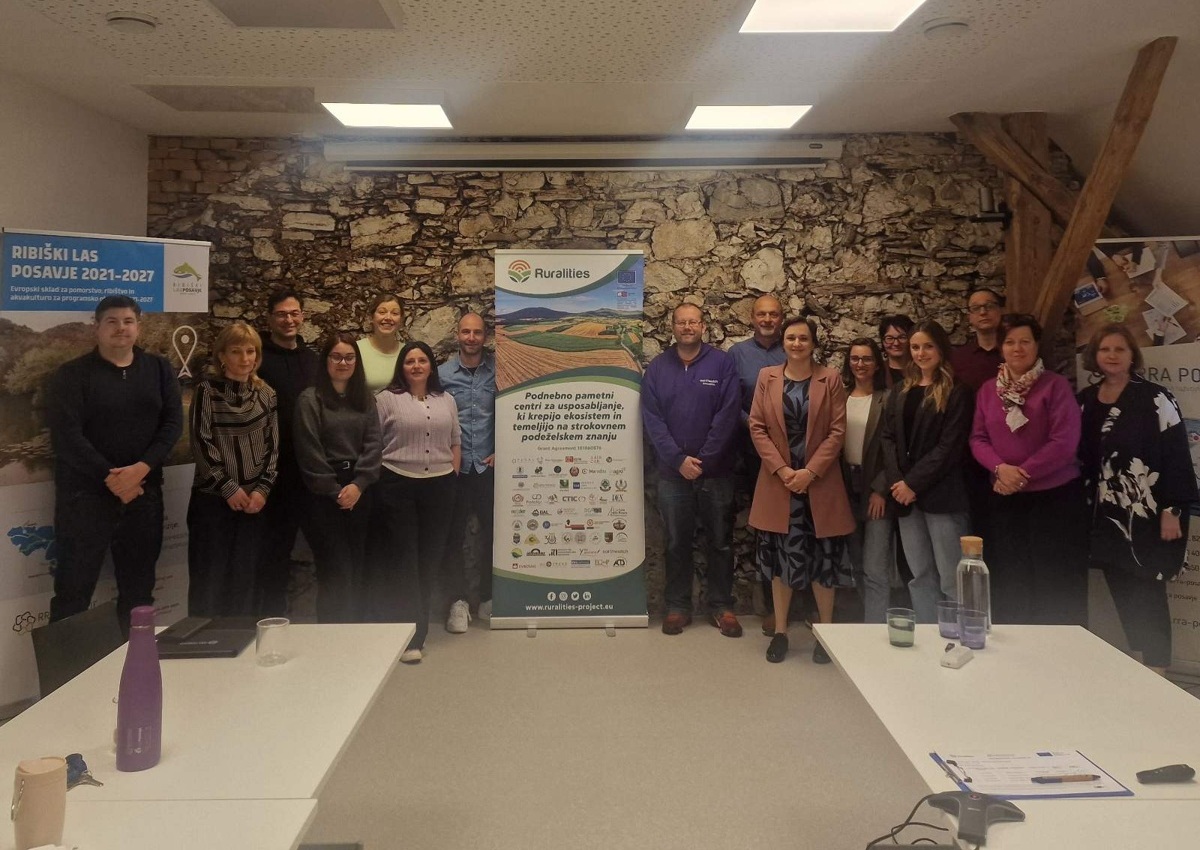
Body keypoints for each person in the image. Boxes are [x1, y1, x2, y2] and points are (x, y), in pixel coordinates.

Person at [46, 296, 183, 629]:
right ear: (96, 327)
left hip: (143, 495)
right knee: (72, 594)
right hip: (84, 499)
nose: (121, 328)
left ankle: (135, 662)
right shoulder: (71, 374)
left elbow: (172, 425)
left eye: (128, 321)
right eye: (112, 321)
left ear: (138, 327)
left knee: (139, 593)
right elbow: (67, 436)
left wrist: (141, 470)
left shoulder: (159, 369)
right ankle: (71, 666)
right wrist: (113, 478)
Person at [1078, 324, 1197, 672]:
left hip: (1147, 516)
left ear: (1133, 356)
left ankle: (1158, 669)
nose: (1112, 355)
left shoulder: (1156, 398)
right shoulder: (1085, 400)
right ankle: (1139, 663)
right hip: (1104, 519)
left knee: (1148, 591)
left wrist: (1173, 510)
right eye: (1105, 349)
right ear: (1095, 356)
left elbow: (1177, 456)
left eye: (1120, 349)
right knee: (1120, 587)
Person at [970, 314, 1088, 626]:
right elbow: (978, 439)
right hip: (1005, 499)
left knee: (1053, 578)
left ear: (1036, 345)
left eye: (1025, 341)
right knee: (1012, 577)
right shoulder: (988, 391)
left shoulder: (1055, 386)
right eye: (1010, 342)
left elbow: (1064, 442)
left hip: (1053, 499)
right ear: (1001, 347)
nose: (1017, 348)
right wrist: (999, 468)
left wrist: (1019, 474)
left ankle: (1057, 649)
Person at [749, 316, 855, 663]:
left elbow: (837, 431)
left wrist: (809, 472)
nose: (797, 344)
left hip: (819, 484)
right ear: (783, 342)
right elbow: (757, 426)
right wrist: (783, 470)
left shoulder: (831, 378)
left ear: (813, 343)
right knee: (781, 560)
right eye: (791, 338)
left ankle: (826, 633)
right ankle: (780, 632)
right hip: (779, 484)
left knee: (822, 561)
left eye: (803, 338)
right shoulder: (767, 377)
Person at [641, 303, 742, 638]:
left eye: (693, 322)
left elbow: (728, 415)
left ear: (703, 327)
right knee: (675, 543)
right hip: (673, 474)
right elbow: (652, 420)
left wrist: (704, 460)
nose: (687, 327)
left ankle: (721, 606)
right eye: (681, 322)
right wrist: (678, 460)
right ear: (672, 327)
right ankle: (677, 607)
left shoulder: (722, 364)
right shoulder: (658, 368)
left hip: (716, 472)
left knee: (720, 542)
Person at [372, 340, 461, 664]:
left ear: (431, 366)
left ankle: (417, 628)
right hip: (398, 484)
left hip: (439, 486)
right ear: (402, 366)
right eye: (410, 361)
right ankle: (410, 636)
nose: (416, 366)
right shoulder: (386, 399)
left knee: (429, 560)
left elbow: (455, 441)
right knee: (404, 560)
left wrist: (451, 473)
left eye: (422, 360)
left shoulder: (446, 400)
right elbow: (374, 442)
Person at [879, 320, 972, 625]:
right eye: (916, 347)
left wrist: (912, 483)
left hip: (941, 496)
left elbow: (949, 447)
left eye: (928, 346)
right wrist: (898, 482)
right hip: (906, 499)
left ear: (941, 349)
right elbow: (887, 438)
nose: (921, 353)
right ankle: (930, 632)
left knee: (951, 576)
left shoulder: (957, 392)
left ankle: (960, 635)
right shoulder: (900, 391)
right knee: (919, 574)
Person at [187, 322, 279, 617]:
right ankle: (204, 643)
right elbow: (201, 443)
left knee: (246, 583)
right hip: (213, 502)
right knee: (209, 583)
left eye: (250, 351)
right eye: (236, 351)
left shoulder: (267, 394)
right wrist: (228, 488)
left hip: (254, 503)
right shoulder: (206, 392)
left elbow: (273, 448)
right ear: (222, 356)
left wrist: (262, 490)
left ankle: (241, 641)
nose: (245, 358)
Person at [294, 334, 382, 623]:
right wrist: (335, 491)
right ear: (326, 360)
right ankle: (332, 636)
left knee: (358, 567)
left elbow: (374, 444)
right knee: (336, 571)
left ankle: (355, 634)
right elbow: (309, 450)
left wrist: (358, 485)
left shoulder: (365, 398)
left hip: (360, 489)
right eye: (336, 357)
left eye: (349, 357)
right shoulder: (310, 399)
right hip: (322, 495)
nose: (343, 363)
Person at [256, 288, 319, 617]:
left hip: (309, 472)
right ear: (270, 318)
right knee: (273, 553)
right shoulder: (257, 359)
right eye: (281, 314)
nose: (289, 319)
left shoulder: (313, 360)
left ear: (303, 316)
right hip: (272, 474)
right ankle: (271, 621)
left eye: (294, 313)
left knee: (324, 549)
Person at [728, 294, 786, 633]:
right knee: (766, 528)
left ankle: (799, 600)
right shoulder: (737, 354)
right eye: (762, 314)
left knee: (796, 527)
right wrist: (757, 428)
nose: (767, 320)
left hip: (793, 457)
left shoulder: (793, 349)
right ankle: (771, 604)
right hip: (753, 457)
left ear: (781, 318)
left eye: (773, 314)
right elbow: (730, 402)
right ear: (752, 318)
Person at [439, 312, 497, 630]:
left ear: (485, 336)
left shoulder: (499, 371)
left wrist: (503, 449)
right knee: (452, 537)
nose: (471, 338)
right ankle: (457, 602)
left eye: (477, 332)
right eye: (466, 332)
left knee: (496, 534)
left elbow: (512, 412)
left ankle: (489, 597)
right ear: (457, 335)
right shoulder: (442, 374)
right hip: (455, 469)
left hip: (489, 467)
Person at [839, 337, 894, 624]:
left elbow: (896, 449)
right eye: (855, 358)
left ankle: (877, 627)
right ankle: (867, 626)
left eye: (867, 359)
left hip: (875, 488)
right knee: (856, 561)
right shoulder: (840, 398)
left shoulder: (889, 398)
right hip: (845, 488)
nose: (860, 364)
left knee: (875, 566)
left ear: (877, 364)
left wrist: (880, 490)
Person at [950, 287, 1005, 541]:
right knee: (979, 523)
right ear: (969, 316)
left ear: (1000, 310)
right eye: (976, 308)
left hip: (1011, 453)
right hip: (970, 455)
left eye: (989, 305)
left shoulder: (1015, 352)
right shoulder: (958, 360)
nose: (983, 312)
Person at [360, 293, 404, 393]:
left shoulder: (408, 353)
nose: (388, 317)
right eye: (382, 312)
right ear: (371, 317)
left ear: (401, 320)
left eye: (395, 313)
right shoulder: (356, 350)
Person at [878, 314, 914, 388]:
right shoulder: (877, 372)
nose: (896, 343)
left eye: (902, 337)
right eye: (889, 338)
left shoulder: (922, 370)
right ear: (883, 341)